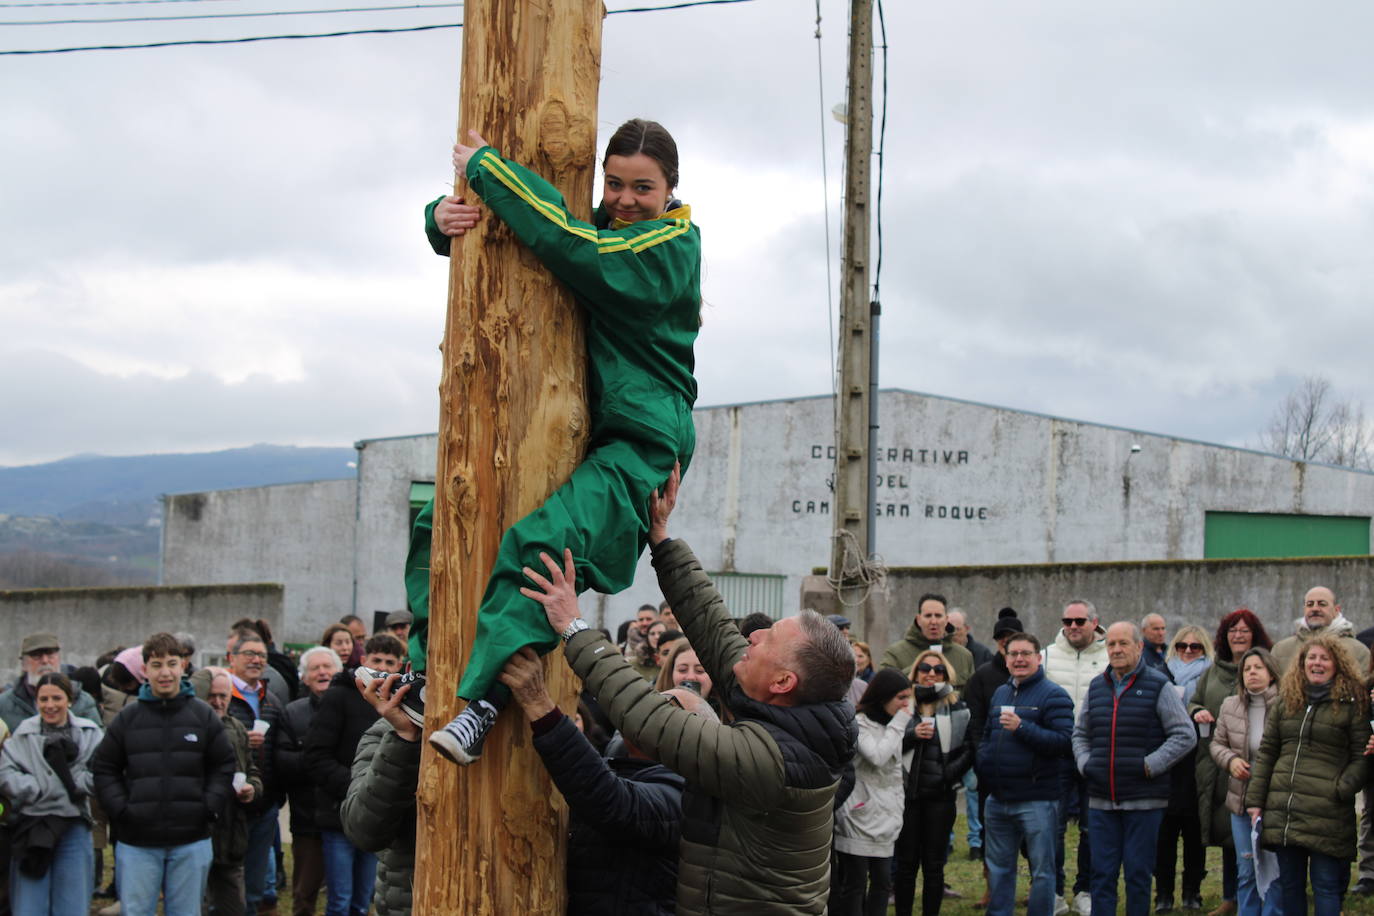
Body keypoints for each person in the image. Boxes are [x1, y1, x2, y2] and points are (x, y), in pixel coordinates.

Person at [386, 118, 702, 769]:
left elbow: (565, 241)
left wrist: (488, 168)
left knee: (540, 544)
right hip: (587, 425)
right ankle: (428, 679)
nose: (623, 199)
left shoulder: (668, 245)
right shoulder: (607, 226)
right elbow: (537, 221)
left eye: (642, 187)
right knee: (437, 523)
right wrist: (438, 218)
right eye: (613, 183)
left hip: (642, 443)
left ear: (671, 189)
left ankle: (478, 703)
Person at [521, 466, 856, 914]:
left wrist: (574, 626)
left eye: (768, 639)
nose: (751, 636)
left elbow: (650, 720)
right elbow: (715, 627)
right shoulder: (792, 711)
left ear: (782, 682)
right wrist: (662, 538)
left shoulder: (771, 763)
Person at [501, 647, 706, 915]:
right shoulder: (618, 767)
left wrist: (540, 705)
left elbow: (613, 802)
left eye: (666, 708)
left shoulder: (685, 793)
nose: (647, 709)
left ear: (694, 740)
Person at [91, 632, 236, 916]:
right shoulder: (127, 719)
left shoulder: (203, 716)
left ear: (183, 666)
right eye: (157, 665)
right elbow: (104, 768)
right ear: (145, 670)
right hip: (137, 843)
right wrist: (122, 811)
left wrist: (208, 808)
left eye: (172, 663)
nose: (165, 672)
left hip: (191, 840)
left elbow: (223, 765)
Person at [1071, 622, 1196, 916]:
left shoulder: (1158, 685)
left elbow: (1185, 735)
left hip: (1144, 800)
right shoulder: (1096, 687)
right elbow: (1079, 733)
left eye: (1123, 643)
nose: (1116, 649)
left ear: (1139, 647)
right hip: (1102, 799)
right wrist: (1085, 763)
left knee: (1138, 876)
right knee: (1101, 876)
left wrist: (1150, 765)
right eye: (1111, 644)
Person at [1244, 635, 1371, 916]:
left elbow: (1362, 755)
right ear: (1301, 664)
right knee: (1290, 885)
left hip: (1327, 811)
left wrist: (1341, 789)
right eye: (1311, 658)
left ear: (1337, 664)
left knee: (1326, 885)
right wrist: (1255, 800)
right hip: (1284, 811)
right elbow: (1267, 752)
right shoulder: (1286, 700)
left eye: (1324, 658)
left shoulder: (1354, 704)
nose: (1317, 663)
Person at [977, 633, 1074, 916]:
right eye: (1013, 654)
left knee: (1042, 870)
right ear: (1006, 660)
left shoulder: (1054, 695)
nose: (1019, 659)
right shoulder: (1001, 693)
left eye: (1026, 654)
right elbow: (986, 735)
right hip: (998, 799)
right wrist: (984, 762)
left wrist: (1022, 728)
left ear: (1038, 658)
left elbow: (1064, 742)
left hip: (1037, 799)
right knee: (999, 868)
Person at [307, 634, 404, 916]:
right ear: (363, 661)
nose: (383, 668)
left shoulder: (401, 703)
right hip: (340, 814)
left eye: (390, 662)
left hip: (380, 818)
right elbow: (316, 755)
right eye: (377, 661)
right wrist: (358, 788)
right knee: (340, 902)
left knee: (363, 902)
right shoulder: (338, 696)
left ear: (400, 667)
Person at [1189, 609, 1273, 916]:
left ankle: (1267, 894)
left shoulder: (1268, 668)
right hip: (1219, 763)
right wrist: (1197, 710)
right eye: (1232, 630)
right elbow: (1194, 699)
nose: (1238, 635)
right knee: (1228, 831)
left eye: (1244, 630)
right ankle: (1231, 896)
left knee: (1260, 835)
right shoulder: (1213, 670)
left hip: (1255, 766)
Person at [0, 671, 102, 916]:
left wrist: (77, 783)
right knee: (28, 906)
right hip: (33, 826)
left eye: (56, 698)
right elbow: (5, 771)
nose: (50, 705)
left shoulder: (90, 734)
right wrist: (34, 788)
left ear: (69, 699)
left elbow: (104, 772)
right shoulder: (23, 733)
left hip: (74, 823)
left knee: (72, 904)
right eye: (43, 700)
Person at [893, 649, 973, 916]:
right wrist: (912, 734)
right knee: (905, 865)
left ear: (946, 673)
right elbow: (888, 744)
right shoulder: (903, 706)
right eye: (924, 668)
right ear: (915, 673)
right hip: (906, 796)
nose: (930, 674)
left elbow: (969, 749)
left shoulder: (957, 706)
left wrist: (947, 775)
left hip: (941, 797)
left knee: (934, 866)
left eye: (937, 670)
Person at [1043, 599, 1108, 916]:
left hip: (1096, 754)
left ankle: (1086, 889)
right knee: (1053, 827)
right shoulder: (1047, 656)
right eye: (1066, 620)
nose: (1072, 626)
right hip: (1056, 754)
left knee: (1092, 827)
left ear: (1094, 623)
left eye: (1079, 621)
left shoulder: (1110, 656)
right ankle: (1053, 892)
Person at [833, 668, 913, 916]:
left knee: (882, 883)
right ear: (883, 696)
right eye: (901, 697)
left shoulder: (891, 727)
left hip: (888, 818)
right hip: (859, 816)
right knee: (855, 885)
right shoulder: (860, 724)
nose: (906, 705)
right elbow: (877, 756)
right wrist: (900, 724)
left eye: (908, 697)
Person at [1207, 647, 1280, 916]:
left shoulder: (1286, 705)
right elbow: (1217, 744)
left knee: (1273, 869)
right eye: (1247, 669)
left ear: (1271, 674)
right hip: (1239, 801)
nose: (1252, 673)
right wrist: (1230, 761)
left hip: (1275, 802)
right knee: (1246, 868)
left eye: (1258, 668)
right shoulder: (1230, 705)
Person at [275, 646, 342, 916]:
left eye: (328, 667)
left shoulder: (354, 707)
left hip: (343, 819)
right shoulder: (293, 713)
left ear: (339, 672)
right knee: (304, 894)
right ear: (304, 677)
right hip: (308, 819)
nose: (322, 672)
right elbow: (282, 761)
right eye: (315, 668)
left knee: (345, 895)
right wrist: (319, 761)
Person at [223, 629, 285, 915]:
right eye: (249, 653)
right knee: (225, 882)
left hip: (265, 805)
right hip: (228, 807)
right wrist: (239, 740)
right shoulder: (220, 695)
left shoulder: (271, 699)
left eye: (261, 655)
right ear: (231, 658)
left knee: (256, 886)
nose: (256, 660)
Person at [1155, 624, 1213, 912]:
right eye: (1182, 646)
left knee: (1194, 831)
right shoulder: (1161, 673)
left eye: (1195, 647)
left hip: (1198, 757)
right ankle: (1163, 893)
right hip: (1167, 758)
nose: (1188, 651)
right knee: (1164, 832)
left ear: (1205, 650)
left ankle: (1192, 891)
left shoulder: (1210, 675)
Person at [199, 669, 263, 916]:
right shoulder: (194, 726)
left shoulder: (237, 728)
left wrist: (252, 789)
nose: (218, 701)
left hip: (232, 833)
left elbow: (253, 770)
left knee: (235, 907)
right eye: (212, 695)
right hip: (201, 832)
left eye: (223, 695)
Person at [0, 633, 102, 732]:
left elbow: (98, 743)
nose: (45, 661)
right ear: (23, 664)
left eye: (50, 655)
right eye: (36, 656)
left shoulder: (83, 701)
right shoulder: (4, 704)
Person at [880, 595, 976, 688]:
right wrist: (917, 669)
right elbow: (882, 690)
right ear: (918, 619)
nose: (933, 621)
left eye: (938, 616)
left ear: (946, 620)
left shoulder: (964, 656)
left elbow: (972, 697)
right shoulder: (895, 654)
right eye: (928, 616)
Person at [1270, 585, 1370, 673]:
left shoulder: (1359, 650)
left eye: (1322, 604)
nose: (1315, 608)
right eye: (1310, 604)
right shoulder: (1281, 650)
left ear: (1336, 610)